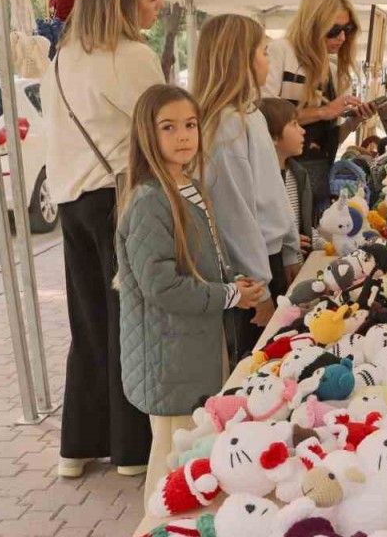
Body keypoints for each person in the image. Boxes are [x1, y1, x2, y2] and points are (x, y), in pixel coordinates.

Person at [43, 0, 164, 478]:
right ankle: (131, 450)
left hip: (71, 199)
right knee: (130, 323)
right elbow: (161, 127)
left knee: (89, 324)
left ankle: (78, 445)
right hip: (118, 198)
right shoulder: (131, 56)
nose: (158, 7)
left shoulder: (63, 56)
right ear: (126, 1)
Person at [115, 83, 265, 503]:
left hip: (195, 348)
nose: (183, 136)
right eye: (168, 127)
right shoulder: (149, 201)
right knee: (171, 463)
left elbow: (208, 257)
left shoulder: (190, 187)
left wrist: (235, 282)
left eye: (190, 125)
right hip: (170, 358)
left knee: (189, 456)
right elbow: (162, 287)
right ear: (147, 133)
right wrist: (229, 295)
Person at [191, 14, 297, 362]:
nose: (268, 61)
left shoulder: (250, 115)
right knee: (255, 365)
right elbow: (235, 216)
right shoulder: (226, 126)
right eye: (263, 52)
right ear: (240, 61)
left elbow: (273, 191)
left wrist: (289, 250)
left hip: (267, 261)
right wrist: (261, 288)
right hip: (251, 276)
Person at [261, 0, 375, 215]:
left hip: (318, 183)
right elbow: (263, 117)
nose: (342, 37)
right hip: (281, 182)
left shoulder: (332, 71)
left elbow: (327, 141)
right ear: (313, 24)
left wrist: (353, 122)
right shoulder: (281, 51)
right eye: (334, 29)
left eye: (348, 29)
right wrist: (323, 112)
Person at [258, 97, 313, 259]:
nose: (303, 131)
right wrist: (286, 242)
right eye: (294, 124)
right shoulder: (260, 180)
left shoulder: (299, 174)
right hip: (273, 264)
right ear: (273, 136)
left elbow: (303, 227)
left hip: (299, 262)